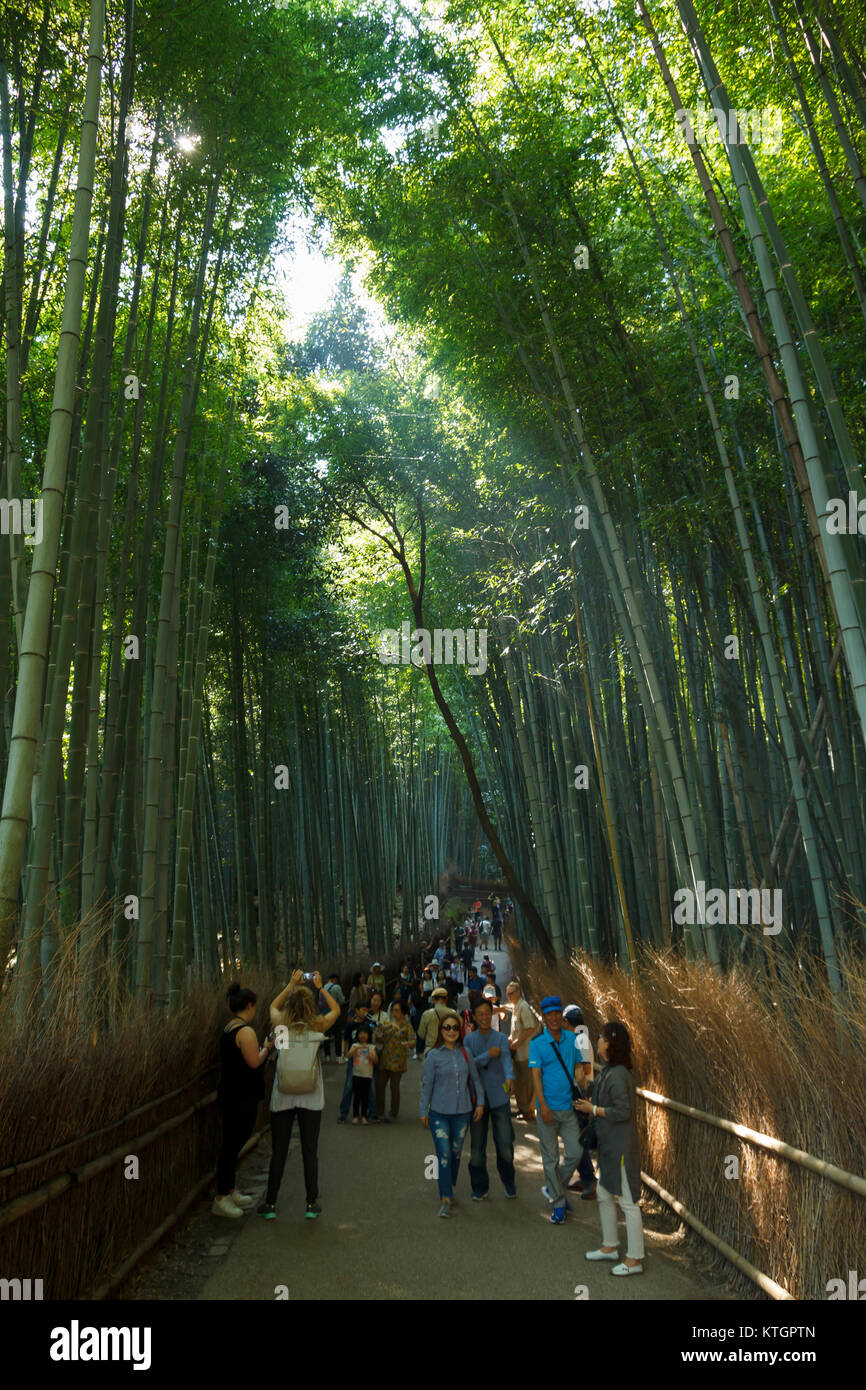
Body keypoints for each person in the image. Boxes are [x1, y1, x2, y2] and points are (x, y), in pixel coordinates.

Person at [258, 970, 340, 1220]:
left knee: (279, 1151)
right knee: (309, 1150)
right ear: (310, 1006)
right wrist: (320, 987)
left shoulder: (280, 1027)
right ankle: (311, 1203)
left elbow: (273, 1005)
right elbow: (335, 1010)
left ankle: (270, 1204)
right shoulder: (317, 1026)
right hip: (311, 1097)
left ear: (291, 1005)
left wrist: (290, 985)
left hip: (282, 1096)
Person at [576, 1021, 645, 1275]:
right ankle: (610, 1246)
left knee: (628, 1202)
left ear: (610, 1043)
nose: (598, 1041)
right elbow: (603, 1094)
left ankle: (635, 1258)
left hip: (621, 1148)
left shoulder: (618, 1074)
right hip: (609, 1146)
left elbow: (623, 1111)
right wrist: (586, 1088)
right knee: (605, 1194)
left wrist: (593, 1110)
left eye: (601, 1038)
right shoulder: (610, 1070)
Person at [214, 983, 275, 1218]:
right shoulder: (245, 1031)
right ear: (249, 1006)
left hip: (231, 1093)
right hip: (241, 1096)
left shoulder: (229, 1027)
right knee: (231, 1146)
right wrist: (268, 1048)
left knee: (232, 1144)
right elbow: (254, 1061)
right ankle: (221, 1197)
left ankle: (229, 1190)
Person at [419, 1013, 484, 1217]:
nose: (451, 1031)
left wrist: (480, 1103)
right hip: (439, 1113)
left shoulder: (466, 1053)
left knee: (455, 1153)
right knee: (444, 1154)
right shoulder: (433, 1056)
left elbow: (475, 1080)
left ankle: (448, 1183)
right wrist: (423, 1110)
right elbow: (426, 1085)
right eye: (447, 1027)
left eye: (455, 1027)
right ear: (441, 1030)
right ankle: (446, 1196)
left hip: (462, 1113)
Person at [528, 995, 585, 1225]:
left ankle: (555, 1188)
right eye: (548, 1014)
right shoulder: (537, 1043)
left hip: (569, 1108)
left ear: (561, 1016)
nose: (552, 1018)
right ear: (543, 1017)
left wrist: (582, 1080)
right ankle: (559, 1205)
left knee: (575, 1151)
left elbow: (579, 1067)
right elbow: (536, 1076)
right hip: (548, 1109)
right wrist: (542, 1105)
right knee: (550, 1158)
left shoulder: (573, 1039)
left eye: (556, 1014)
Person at [463, 998, 517, 1200]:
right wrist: (487, 1055)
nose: (485, 1017)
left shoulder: (501, 1038)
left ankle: (509, 1180)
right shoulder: (469, 1040)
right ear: (475, 1017)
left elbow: (506, 1061)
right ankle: (479, 1186)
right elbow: (469, 1066)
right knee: (477, 1146)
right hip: (477, 1100)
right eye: (481, 1014)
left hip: (499, 1097)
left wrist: (510, 1077)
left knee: (504, 1143)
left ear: (492, 1014)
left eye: (488, 1013)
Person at [563, 1004, 597, 1197]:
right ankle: (586, 1177)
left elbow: (582, 1070)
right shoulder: (578, 1038)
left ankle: (589, 1180)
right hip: (576, 1093)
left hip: (580, 1095)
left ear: (566, 1022)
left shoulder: (580, 1040)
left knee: (576, 1138)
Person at [374, 998, 415, 1120]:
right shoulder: (389, 1024)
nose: (394, 1013)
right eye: (393, 1010)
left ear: (403, 1012)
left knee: (394, 1086)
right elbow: (381, 1038)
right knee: (380, 1085)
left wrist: (409, 1044)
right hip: (385, 1059)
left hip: (398, 1061)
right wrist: (378, 1035)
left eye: (397, 1010)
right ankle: (379, 1112)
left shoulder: (407, 1026)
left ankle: (393, 1112)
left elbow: (413, 1040)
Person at [338, 1003, 379, 1121]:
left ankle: (373, 1112)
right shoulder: (351, 1025)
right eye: (363, 1009)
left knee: (370, 1087)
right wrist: (342, 1053)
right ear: (356, 1010)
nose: (365, 1012)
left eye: (366, 1009)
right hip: (354, 1058)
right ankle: (343, 1112)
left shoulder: (369, 1023)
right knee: (349, 1086)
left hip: (367, 1060)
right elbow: (344, 1039)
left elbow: (378, 1029)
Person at [505, 980, 537, 1120]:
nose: (509, 997)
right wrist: (511, 1038)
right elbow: (516, 1030)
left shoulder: (523, 1007)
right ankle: (523, 1108)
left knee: (527, 1082)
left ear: (518, 992)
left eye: (511, 994)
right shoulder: (515, 1007)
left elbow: (531, 1028)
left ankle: (529, 1110)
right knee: (519, 1082)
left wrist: (518, 1041)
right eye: (507, 994)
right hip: (517, 1053)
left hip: (526, 1053)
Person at [348, 1025, 378, 1124]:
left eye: (365, 1033)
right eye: (360, 1033)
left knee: (365, 1096)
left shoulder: (371, 1047)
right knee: (357, 1096)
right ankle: (356, 1116)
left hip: (367, 1075)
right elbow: (349, 1055)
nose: (363, 1035)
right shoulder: (355, 1045)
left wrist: (371, 1057)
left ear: (369, 1035)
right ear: (357, 1035)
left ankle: (364, 1116)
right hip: (356, 1074)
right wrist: (356, 1048)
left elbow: (376, 1060)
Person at [417, 986, 455, 1054]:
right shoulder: (453, 1013)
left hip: (431, 1050)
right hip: (449, 1050)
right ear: (446, 999)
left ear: (433, 999)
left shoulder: (427, 1014)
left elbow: (421, 1034)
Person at [323, 972, 346, 1061]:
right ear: (335, 979)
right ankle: (338, 1056)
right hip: (335, 1014)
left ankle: (327, 1056)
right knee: (337, 1035)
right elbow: (342, 1000)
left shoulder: (323, 987)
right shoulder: (336, 987)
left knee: (326, 1036)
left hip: (325, 1014)